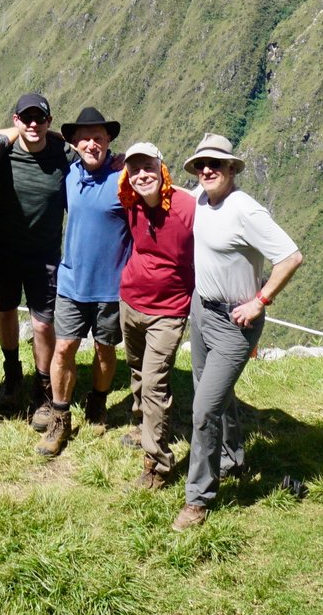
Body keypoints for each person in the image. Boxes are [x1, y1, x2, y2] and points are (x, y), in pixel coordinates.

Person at [178, 135, 302, 529]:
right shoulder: (200, 198)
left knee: (203, 409)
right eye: (201, 165)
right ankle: (232, 458)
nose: (207, 170)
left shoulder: (245, 210)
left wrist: (259, 302)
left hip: (236, 322)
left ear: (232, 168)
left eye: (216, 164)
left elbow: (290, 256)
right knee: (214, 395)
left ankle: (198, 498)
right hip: (203, 311)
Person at [41, 105, 131, 457]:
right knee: (64, 348)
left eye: (98, 138)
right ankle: (60, 417)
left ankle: (97, 401)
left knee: (104, 349)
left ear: (108, 140)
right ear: (74, 143)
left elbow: (159, 188)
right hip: (72, 280)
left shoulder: (124, 178)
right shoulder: (67, 176)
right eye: (85, 139)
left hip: (111, 284)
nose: (92, 144)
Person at [118, 142, 196, 489]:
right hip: (131, 301)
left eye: (148, 167)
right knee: (137, 370)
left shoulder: (186, 208)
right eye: (135, 169)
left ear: (162, 168)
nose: (142, 175)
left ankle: (157, 465)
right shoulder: (130, 200)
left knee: (153, 382)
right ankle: (142, 424)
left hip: (168, 310)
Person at [0, 91, 68, 418]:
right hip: (3, 250)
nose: (34, 124)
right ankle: (12, 376)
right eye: (27, 118)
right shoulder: (0, 154)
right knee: (5, 313)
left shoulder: (65, 155)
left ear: (49, 121)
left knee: (42, 324)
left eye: (41, 118)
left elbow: (96, 157)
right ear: (15, 120)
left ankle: (44, 389)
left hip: (44, 255)